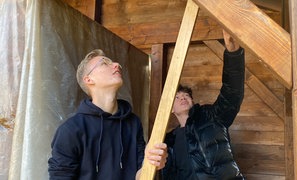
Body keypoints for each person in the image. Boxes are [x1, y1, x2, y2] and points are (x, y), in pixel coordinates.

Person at [48, 49, 167, 180]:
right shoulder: (70, 130)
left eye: (113, 62)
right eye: (104, 63)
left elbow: (139, 176)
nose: (116, 64)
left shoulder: (133, 122)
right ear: (89, 79)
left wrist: (151, 164)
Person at [162, 30, 245, 180]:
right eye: (177, 97)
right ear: (171, 109)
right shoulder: (168, 140)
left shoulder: (210, 116)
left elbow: (232, 94)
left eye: (186, 95)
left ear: (192, 102)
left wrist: (233, 55)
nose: (183, 98)